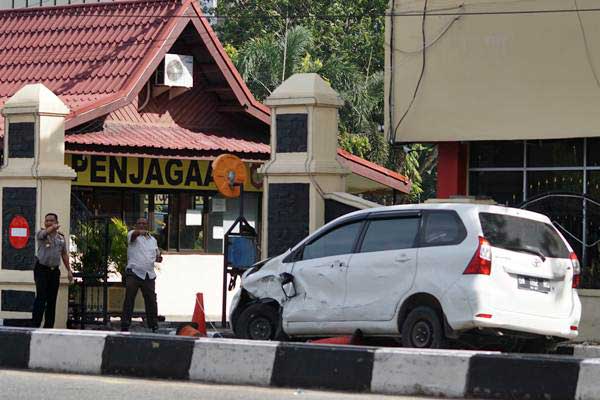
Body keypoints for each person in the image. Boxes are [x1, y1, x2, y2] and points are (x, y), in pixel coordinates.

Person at [32, 213, 74, 328]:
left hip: (54, 271)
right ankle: (35, 326)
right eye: (46, 221)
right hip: (41, 269)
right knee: (41, 297)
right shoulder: (41, 233)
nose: (48, 222)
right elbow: (45, 232)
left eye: (51, 220)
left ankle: (48, 327)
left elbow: (64, 254)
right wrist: (52, 228)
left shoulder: (61, 237)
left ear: (56, 222)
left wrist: (69, 270)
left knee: (52, 299)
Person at [121, 217, 162, 332]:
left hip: (149, 274)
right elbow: (134, 235)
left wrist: (158, 258)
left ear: (148, 225)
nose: (142, 225)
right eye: (139, 223)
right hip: (134, 272)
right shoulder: (132, 235)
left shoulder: (153, 240)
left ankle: (153, 325)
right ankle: (125, 324)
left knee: (151, 300)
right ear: (136, 225)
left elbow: (157, 255)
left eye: (144, 224)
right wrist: (139, 232)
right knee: (129, 298)